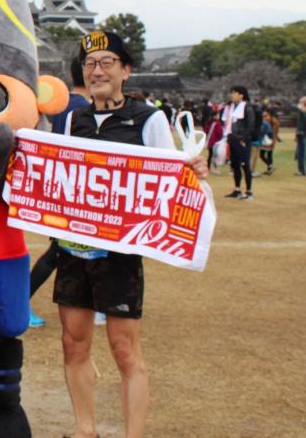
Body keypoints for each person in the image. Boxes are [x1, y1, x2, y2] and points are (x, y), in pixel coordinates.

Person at [54, 30, 208, 438]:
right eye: (90, 64)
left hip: (120, 254)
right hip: (74, 248)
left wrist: (193, 173)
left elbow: (173, 175)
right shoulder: (74, 118)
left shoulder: (149, 118)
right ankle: (85, 429)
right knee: (73, 342)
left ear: (126, 70)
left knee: (124, 349)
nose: (97, 70)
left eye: (107, 62)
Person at [30, 55, 91, 328]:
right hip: (76, 192)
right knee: (58, 251)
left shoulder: (62, 104)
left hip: (63, 189)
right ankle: (21, 300)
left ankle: (94, 301)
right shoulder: (83, 109)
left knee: (73, 251)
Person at [222, 86, 255, 200]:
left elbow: (251, 125)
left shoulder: (247, 107)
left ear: (241, 95)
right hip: (232, 138)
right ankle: (237, 189)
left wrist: (243, 138)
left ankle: (249, 191)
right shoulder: (230, 107)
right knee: (235, 165)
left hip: (242, 140)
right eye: (231, 93)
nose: (232, 95)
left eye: (234, 93)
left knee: (245, 165)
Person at [296, 96, 306, 176]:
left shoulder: (303, 112)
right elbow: (299, 124)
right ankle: (300, 169)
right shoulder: (300, 112)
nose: (299, 104)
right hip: (300, 134)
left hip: (303, 134)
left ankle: (303, 170)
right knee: (300, 152)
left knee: (302, 152)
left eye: (301, 102)